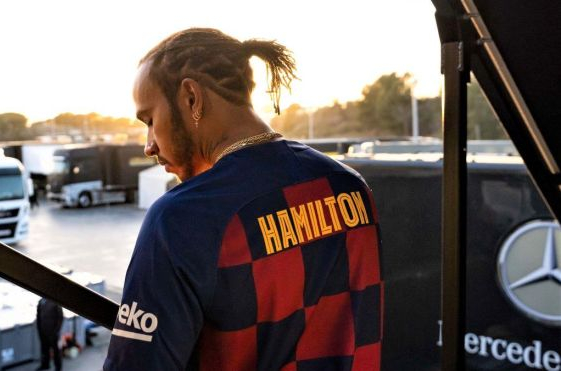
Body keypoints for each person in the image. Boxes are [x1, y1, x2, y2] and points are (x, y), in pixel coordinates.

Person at [104, 28, 383, 370]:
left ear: (191, 97)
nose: (149, 145)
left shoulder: (182, 218)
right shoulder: (349, 186)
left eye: (149, 120)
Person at [36, 297, 64, 371]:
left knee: (56, 351)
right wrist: (39, 329)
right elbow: (38, 316)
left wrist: (56, 331)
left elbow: (60, 317)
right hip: (43, 331)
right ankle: (45, 364)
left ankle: (58, 368)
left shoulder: (55, 302)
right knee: (44, 349)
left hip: (53, 332)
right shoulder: (40, 302)